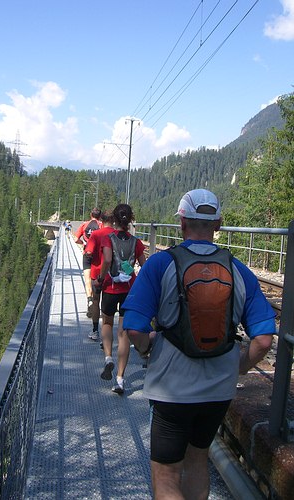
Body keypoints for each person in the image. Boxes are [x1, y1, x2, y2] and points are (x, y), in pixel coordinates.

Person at [122, 189, 276, 500]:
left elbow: (134, 328)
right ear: (217, 224)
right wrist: (237, 368)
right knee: (197, 460)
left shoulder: (160, 264)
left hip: (171, 390)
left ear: (181, 223)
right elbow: (262, 340)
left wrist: (147, 348)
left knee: (165, 475)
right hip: (218, 390)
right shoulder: (239, 270)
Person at [96, 203, 146, 394]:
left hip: (110, 287)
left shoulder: (108, 239)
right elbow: (144, 266)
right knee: (124, 333)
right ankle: (120, 379)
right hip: (129, 290)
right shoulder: (137, 242)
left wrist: (100, 279)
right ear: (130, 219)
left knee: (107, 323)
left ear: (114, 220)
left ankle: (108, 358)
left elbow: (107, 261)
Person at [84, 210, 115, 345]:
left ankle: (95, 331)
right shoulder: (116, 234)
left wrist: (90, 256)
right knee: (108, 306)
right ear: (114, 220)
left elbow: (89, 252)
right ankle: (107, 337)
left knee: (96, 301)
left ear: (101, 220)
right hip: (111, 275)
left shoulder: (96, 234)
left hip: (96, 273)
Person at [75, 208, 103, 317]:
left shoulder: (84, 225)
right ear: (100, 216)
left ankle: (89, 300)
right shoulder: (101, 225)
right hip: (98, 256)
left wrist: (83, 243)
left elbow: (76, 239)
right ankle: (97, 303)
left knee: (87, 280)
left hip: (87, 254)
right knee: (97, 279)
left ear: (91, 214)